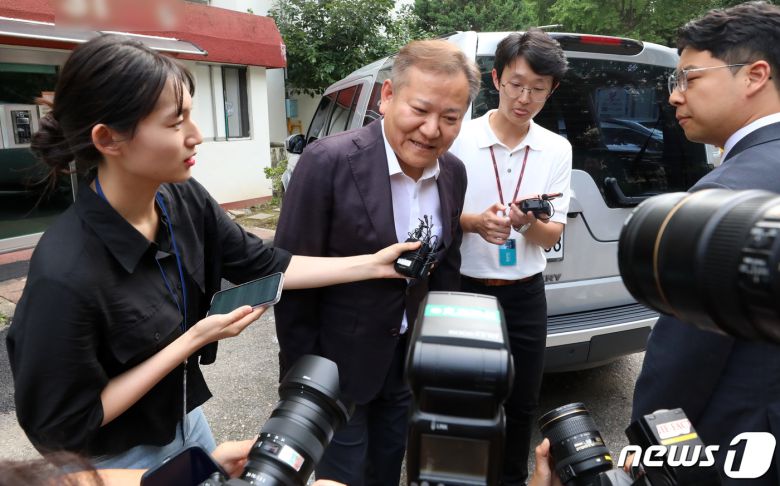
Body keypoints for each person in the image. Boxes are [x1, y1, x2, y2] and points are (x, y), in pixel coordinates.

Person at [5, 34, 419, 470]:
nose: (196, 136)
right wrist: (196, 338)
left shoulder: (182, 200)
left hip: (186, 422)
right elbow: (64, 426)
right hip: (116, 461)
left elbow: (264, 264)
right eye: (175, 122)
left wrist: (373, 264)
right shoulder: (65, 272)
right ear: (109, 139)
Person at [273, 39, 480, 485]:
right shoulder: (326, 162)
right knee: (341, 478)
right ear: (387, 96)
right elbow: (287, 275)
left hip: (406, 367)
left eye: (450, 118)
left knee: (388, 469)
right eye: (420, 110)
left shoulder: (454, 173)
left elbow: (446, 270)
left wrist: (442, 355)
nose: (431, 130)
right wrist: (301, 380)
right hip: (335, 368)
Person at [631, 2, 780, 484]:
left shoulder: (726, 196)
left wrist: (647, 448)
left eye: (689, 78)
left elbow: (684, 361)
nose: (675, 97)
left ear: (754, 75)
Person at [447, 30, 570, 485]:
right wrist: (474, 222)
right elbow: (434, 212)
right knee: (463, 395)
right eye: (517, 84)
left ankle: (512, 478)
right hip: (464, 288)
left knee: (521, 401)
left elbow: (552, 231)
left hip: (525, 294)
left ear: (551, 90)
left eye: (538, 89)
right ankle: (458, 475)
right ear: (495, 78)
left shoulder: (556, 148)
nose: (525, 97)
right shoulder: (460, 136)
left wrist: (523, 223)